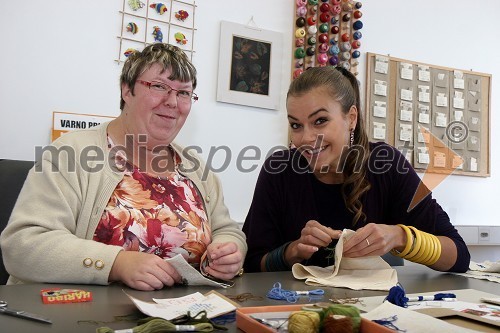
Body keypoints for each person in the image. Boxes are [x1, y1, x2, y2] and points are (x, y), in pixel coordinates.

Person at [0, 43, 246, 291]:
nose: (172, 102)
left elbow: (226, 230)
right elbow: (23, 245)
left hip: (181, 315)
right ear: (127, 90)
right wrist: (116, 263)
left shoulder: (195, 168)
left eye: (183, 93)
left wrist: (229, 251)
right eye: (159, 86)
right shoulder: (70, 153)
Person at [242, 66, 470, 273]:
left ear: (351, 118)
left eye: (320, 121)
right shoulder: (279, 170)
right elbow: (251, 264)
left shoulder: (386, 164)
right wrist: (291, 252)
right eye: (296, 125)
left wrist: (401, 237)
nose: (306, 138)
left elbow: (458, 256)